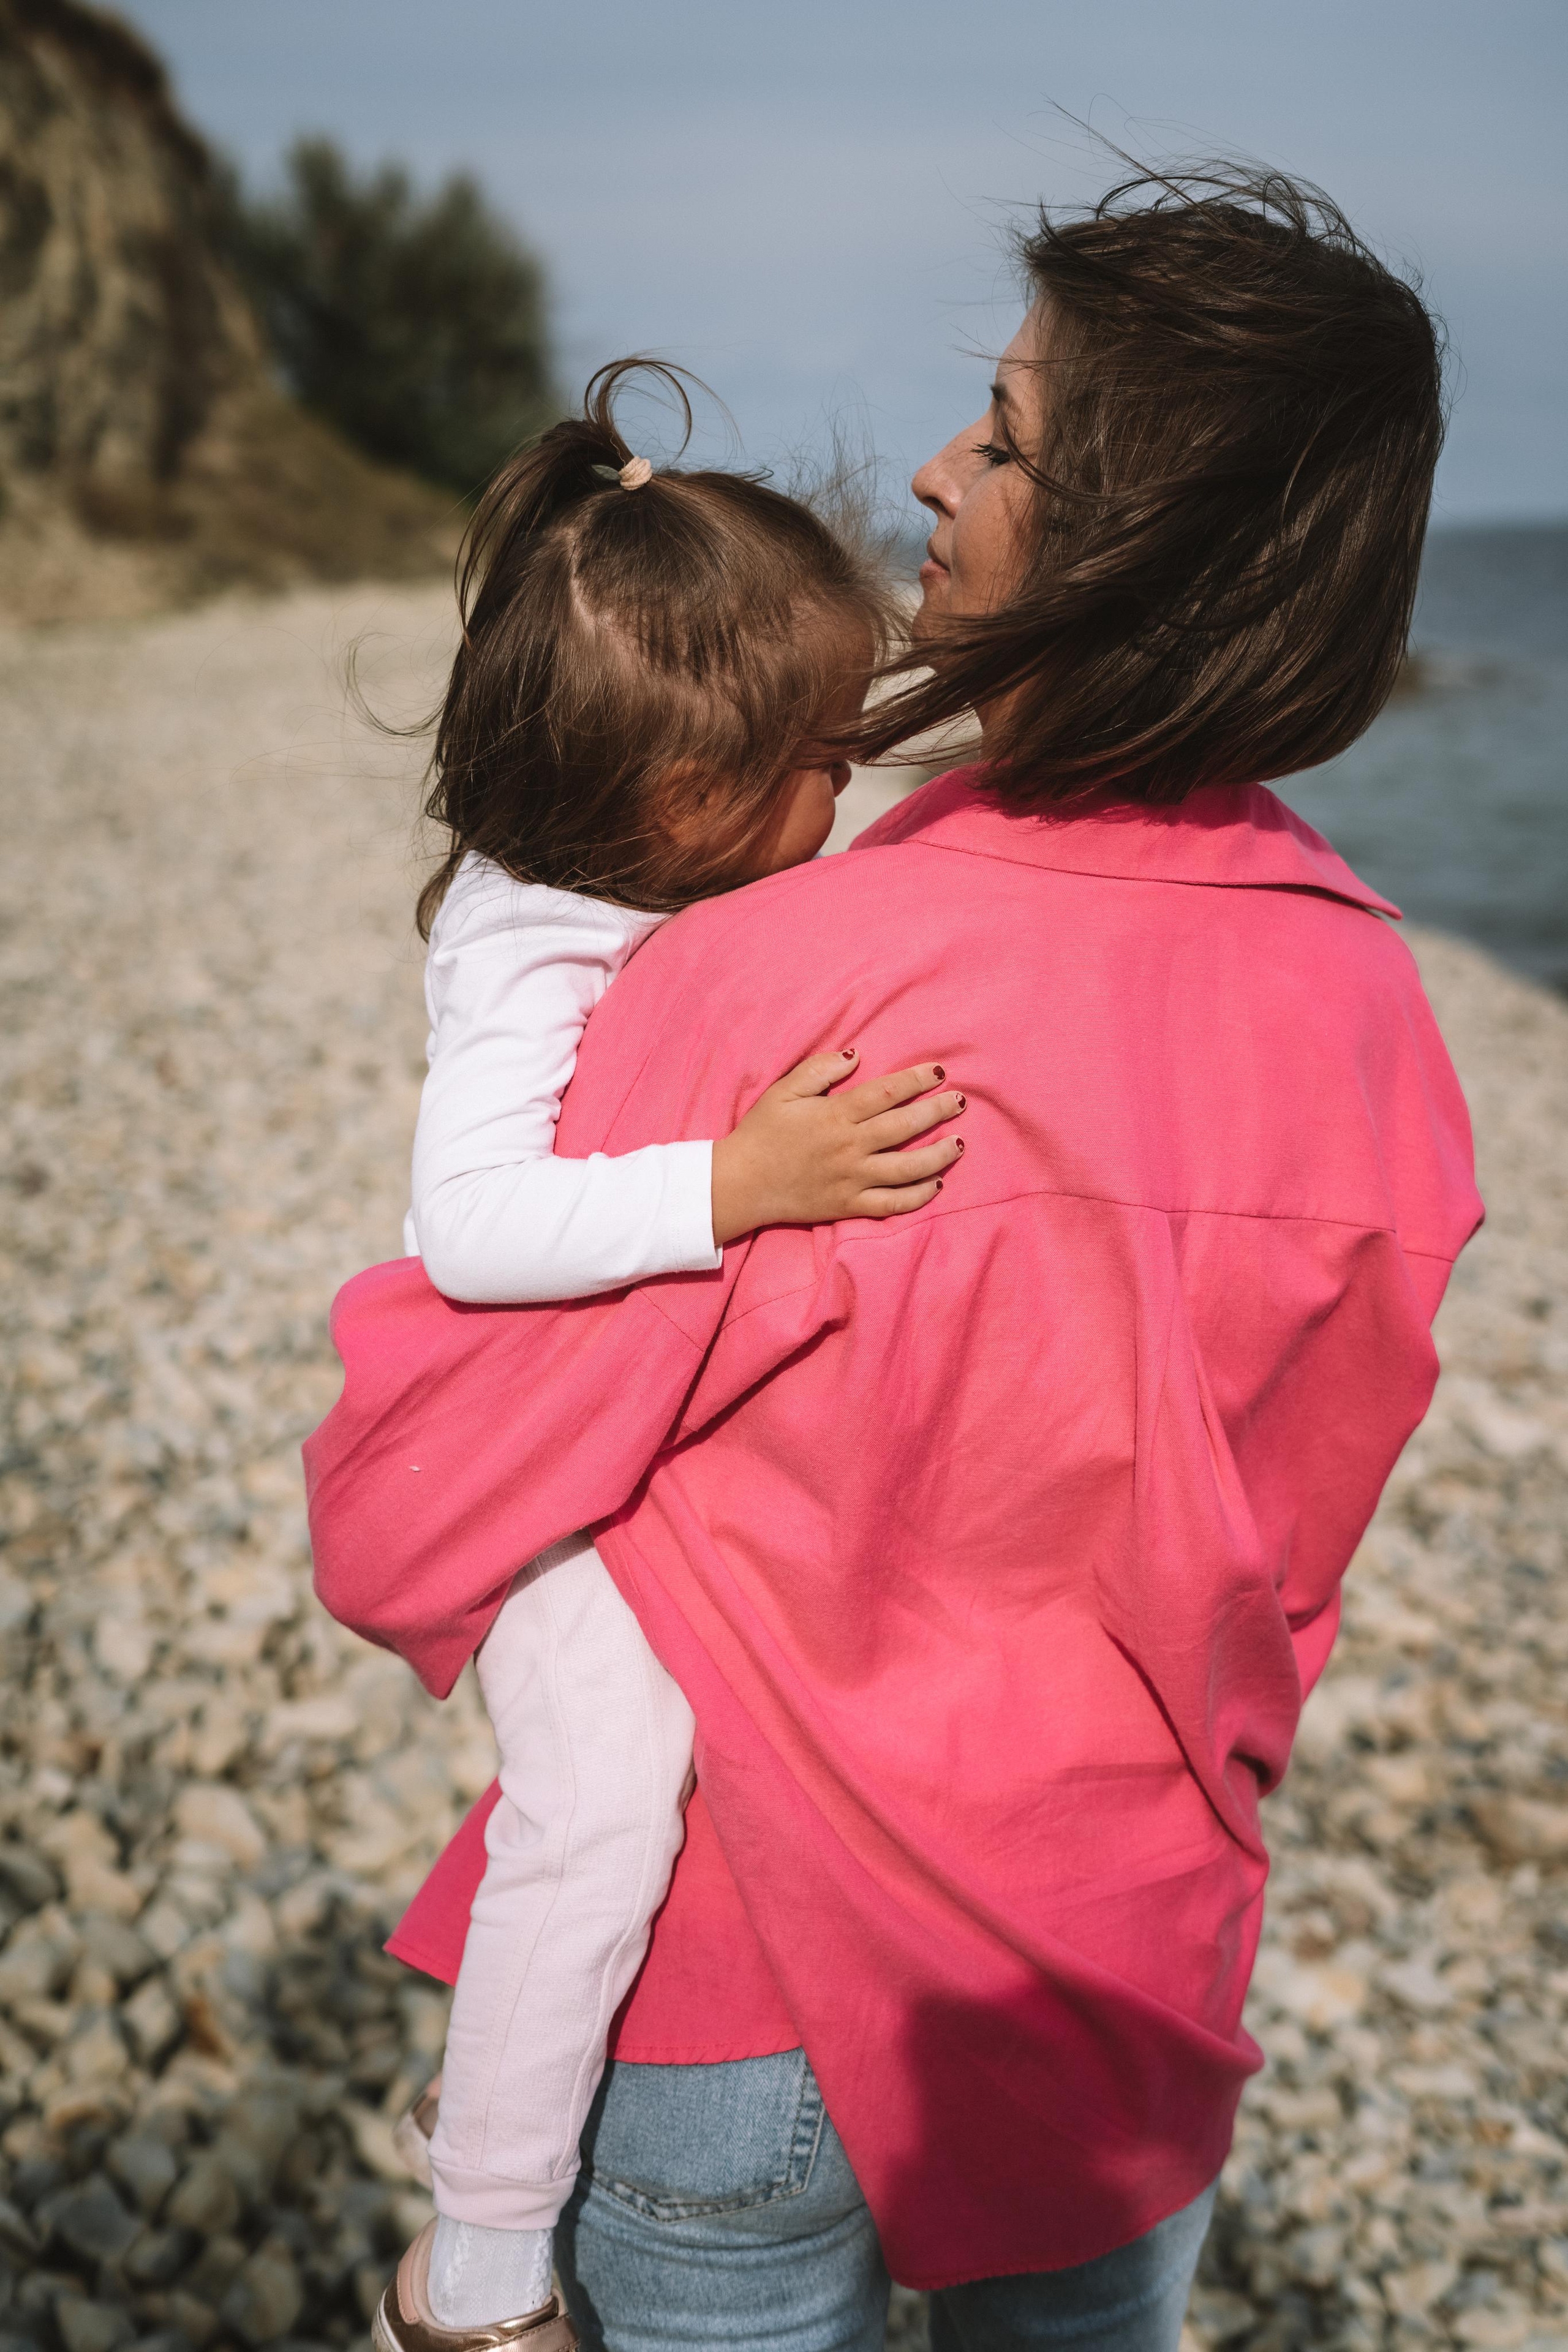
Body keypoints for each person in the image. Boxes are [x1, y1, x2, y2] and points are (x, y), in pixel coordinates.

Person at [308, 167, 1483, 2352]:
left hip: (748, 1958)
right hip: (1124, 1953)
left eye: (1008, 438)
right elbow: (1281, 1560)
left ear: (1135, 544)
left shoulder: (787, 979)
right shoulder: (1381, 1029)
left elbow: (418, 1493)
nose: (938, 470)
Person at [377, 359, 965, 2341]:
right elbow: (472, 1223)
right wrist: (738, 1182)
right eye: (821, 759)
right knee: (607, 1797)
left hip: (590, 1434)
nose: (845, 792)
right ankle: (476, 2261)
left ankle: (494, 2146)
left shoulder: (638, 873)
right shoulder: (525, 938)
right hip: (519, 1473)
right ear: (681, 797)